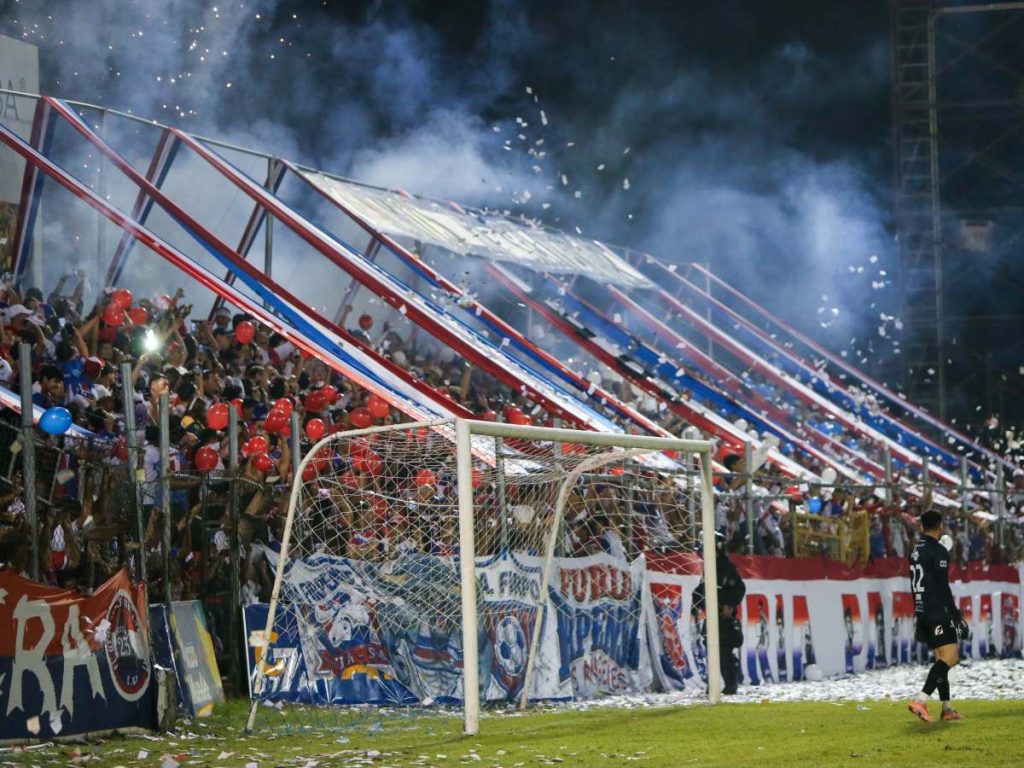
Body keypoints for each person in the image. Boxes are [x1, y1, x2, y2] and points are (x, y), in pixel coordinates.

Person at [907, 509, 969, 722]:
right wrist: (957, 617)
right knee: (951, 658)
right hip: (936, 611)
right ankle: (920, 701)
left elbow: (916, 585)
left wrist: (919, 617)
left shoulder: (915, 549)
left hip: (923, 610)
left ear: (922, 526)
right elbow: (942, 587)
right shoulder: (939, 551)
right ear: (940, 525)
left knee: (941, 659)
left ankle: (947, 708)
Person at [693, 531, 747, 694]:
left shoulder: (726, 567)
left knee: (724, 651)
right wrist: (696, 602)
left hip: (723, 617)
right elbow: (701, 590)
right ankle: (713, 684)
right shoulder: (709, 568)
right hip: (711, 616)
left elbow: (739, 589)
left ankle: (730, 684)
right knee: (711, 651)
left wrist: (729, 604)